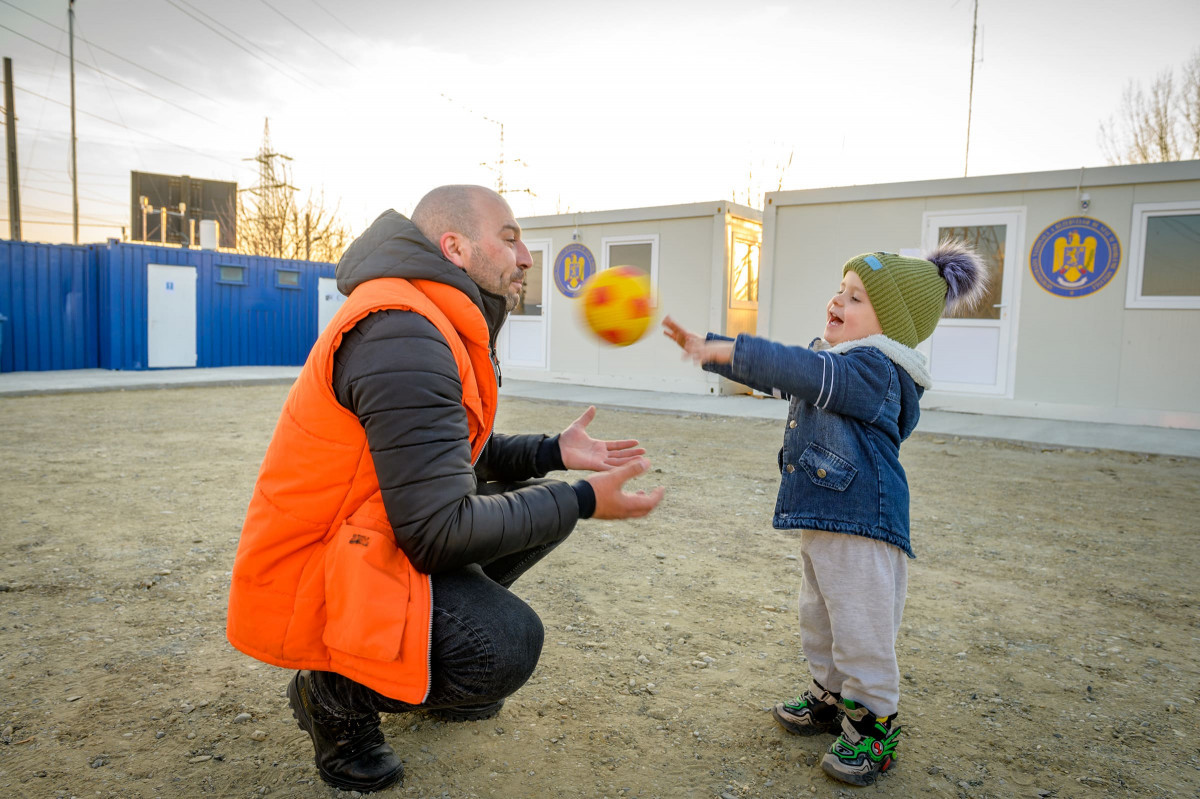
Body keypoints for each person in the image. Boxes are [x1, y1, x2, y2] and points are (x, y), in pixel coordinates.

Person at [226, 185, 664, 793]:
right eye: (509, 238)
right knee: (503, 645)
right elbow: (437, 533)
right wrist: (583, 499)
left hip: (367, 536)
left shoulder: (428, 316)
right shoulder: (403, 333)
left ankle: (422, 656)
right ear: (454, 247)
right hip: (318, 572)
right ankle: (331, 692)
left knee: (528, 489)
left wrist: (552, 453)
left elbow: (448, 454)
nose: (527, 257)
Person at [662, 243, 986, 786]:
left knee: (861, 626)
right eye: (840, 289)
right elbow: (794, 376)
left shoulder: (874, 369)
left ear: (890, 325)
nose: (837, 299)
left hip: (862, 522)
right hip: (828, 518)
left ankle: (875, 723)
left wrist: (725, 349)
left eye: (855, 297)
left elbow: (802, 371)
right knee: (820, 616)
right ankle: (832, 697)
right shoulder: (840, 363)